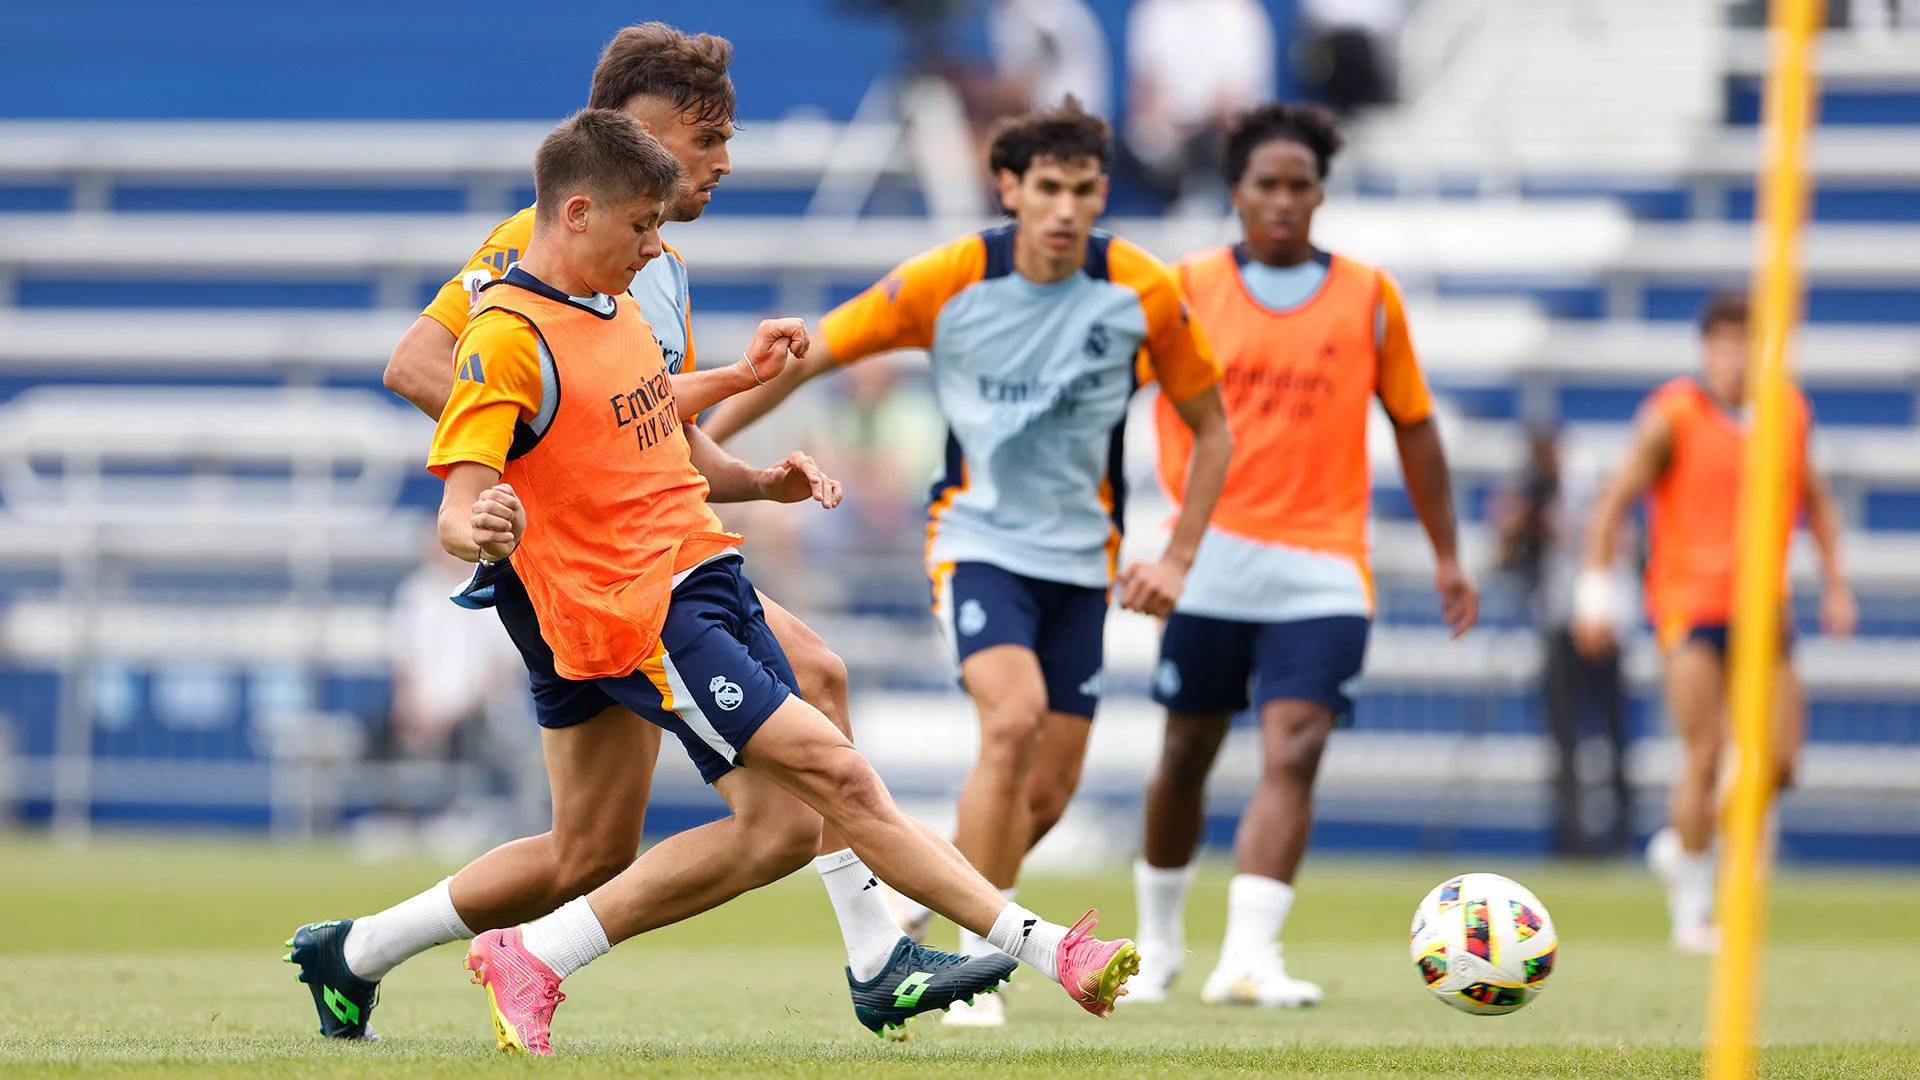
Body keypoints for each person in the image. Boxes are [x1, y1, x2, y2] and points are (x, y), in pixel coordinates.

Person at [286, 23, 988, 1042]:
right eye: (709, 137)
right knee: (815, 698)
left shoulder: (658, 263)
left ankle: (353, 954)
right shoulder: (537, 246)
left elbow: (658, 421)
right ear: (636, 130)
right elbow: (418, 364)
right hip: (584, 567)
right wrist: (539, 463)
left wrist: (754, 480)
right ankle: (877, 955)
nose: (724, 161)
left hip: (646, 555)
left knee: (589, 852)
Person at [432, 109, 1139, 1053]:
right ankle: (1046, 949)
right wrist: (478, 526)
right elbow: (461, 495)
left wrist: (740, 388)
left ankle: (540, 956)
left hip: (706, 571)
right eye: (641, 225)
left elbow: (634, 404)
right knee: (841, 775)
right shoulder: (504, 338)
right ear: (574, 213)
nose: (657, 243)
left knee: (777, 832)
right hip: (640, 613)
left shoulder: (616, 301)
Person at [706, 98, 1231, 1027]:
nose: (1065, 209)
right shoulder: (950, 280)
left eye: (1081, 190)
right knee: (1014, 717)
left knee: (1050, 791)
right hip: (978, 547)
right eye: (1046, 189)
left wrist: (1180, 556)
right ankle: (975, 967)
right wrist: (698, 454)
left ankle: (929, 890)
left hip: (1081, 566)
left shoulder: (1142, 292)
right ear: (1010, 189)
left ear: (1101, 192)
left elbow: (1212, 428)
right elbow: (813, 354)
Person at [1127, 102, 1478, 1008]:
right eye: (1266, 185)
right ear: (1237, 192)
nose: (1284, 201)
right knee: (1187, 752)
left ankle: (1248, 955)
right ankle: (1160, 943)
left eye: (1300, 185)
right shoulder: (1186, 288)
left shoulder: (1369, 297)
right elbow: (1102, 402)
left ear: (1320, 193)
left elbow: (1415, 427)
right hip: (1207, 559)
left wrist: (1448, 555)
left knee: (1297, 745)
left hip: (1324, 565)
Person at [1573, 290, 1856, 954]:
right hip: (1691, 605)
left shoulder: (1787, 413)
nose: (1734, 358)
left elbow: (1814, 496)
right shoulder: (1673, 416)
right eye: (1724, 344)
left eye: (1746, 343)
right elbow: (1614, 502)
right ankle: (1693, 911)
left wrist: (1836, 582)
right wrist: (1596, 589)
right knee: (1705, 750)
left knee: (1781, 762)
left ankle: (1683, 839)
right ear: (1706, 350)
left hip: (1766, 606)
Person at [1492, 432, 1631, 858]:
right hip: (1557, 624)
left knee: (1611, 737)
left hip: (1602, 626)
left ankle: (1617, 839)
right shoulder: (1538, 496)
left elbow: (1614, 544)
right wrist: (1515, 527)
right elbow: (1506, 559)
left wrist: (1558, 528)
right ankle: (1569, 839)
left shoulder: (1590, 492)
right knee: (1563, 741)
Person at [1122, 0, 1276, 208]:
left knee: (1219, 142)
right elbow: (1144, 93)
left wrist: (1192, 124)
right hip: (1173, 131)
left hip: (1220, 128)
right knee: (1141, 139)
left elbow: (1231, 102)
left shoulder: (1238, 12)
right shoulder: (1153, 10)